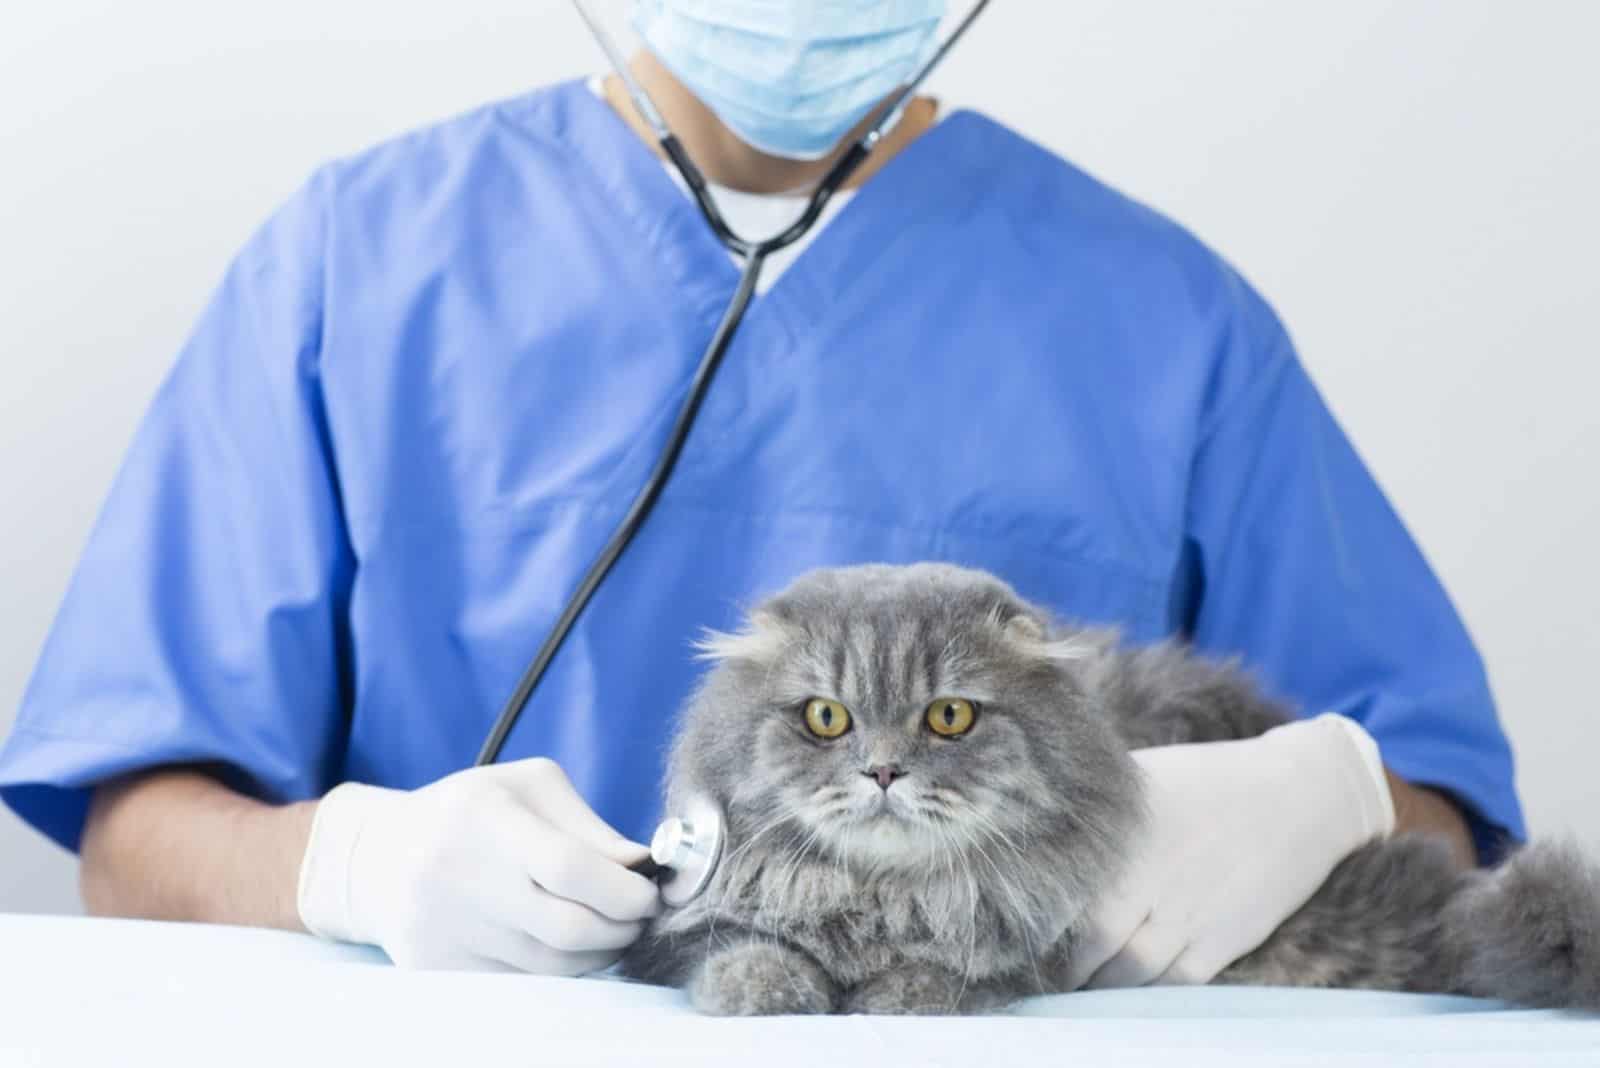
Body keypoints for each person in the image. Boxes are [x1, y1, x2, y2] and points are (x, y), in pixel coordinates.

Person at [0, 1, 1522, 985]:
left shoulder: (1164, 318)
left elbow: (1440, 812)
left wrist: (1309, 791)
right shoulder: (358, 261)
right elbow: (137, 832)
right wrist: (347, 865)